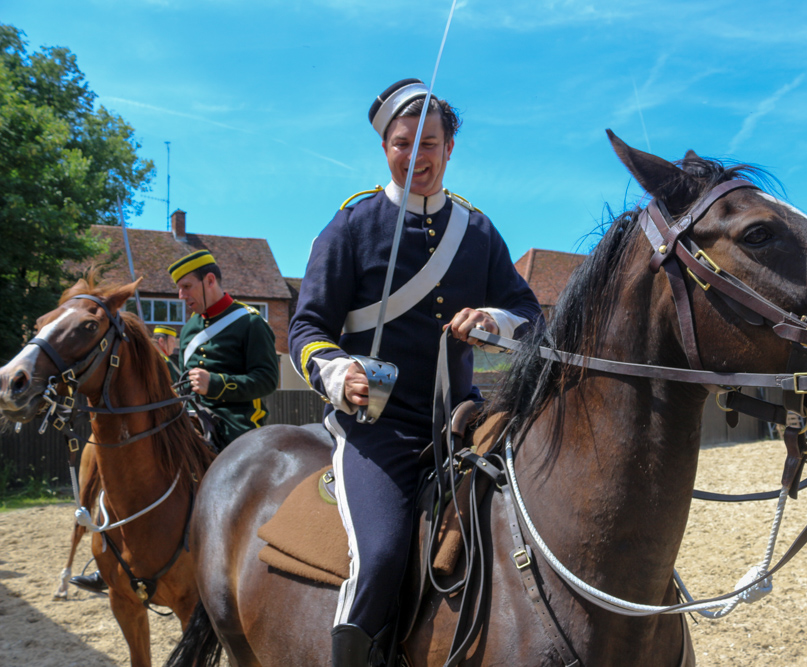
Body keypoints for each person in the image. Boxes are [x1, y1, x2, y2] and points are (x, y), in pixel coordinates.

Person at [289, 78, 542, 666]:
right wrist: (336, 372)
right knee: (379, 556)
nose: (415, 156)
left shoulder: (477, 231)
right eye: (402, 143)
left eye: (428, 143)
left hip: (463, 422)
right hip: (379, 430)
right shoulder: (352, 224)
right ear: (385, 148)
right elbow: (306, 329)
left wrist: (492, 320)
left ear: (449, 147)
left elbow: (530, 317)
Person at [169, 249, 280, 450]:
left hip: (236, 425)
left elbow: (267, 380)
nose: (181, 295)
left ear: (210, 280)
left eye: (186, 286)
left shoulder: (250, 322)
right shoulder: (188, 329)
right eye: (179, 288)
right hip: (192, 418)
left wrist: (215, 384)